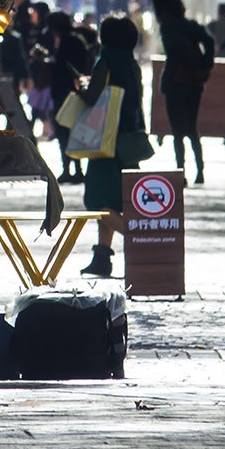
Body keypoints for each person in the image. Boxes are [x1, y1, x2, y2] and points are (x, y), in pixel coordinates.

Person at [79, 15, 146, 278]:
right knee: (116, 200)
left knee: (97, 202)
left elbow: (93, 96)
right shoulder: (131, 63)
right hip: (128, 142)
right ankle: (102, 259)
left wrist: (80, 90)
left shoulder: (104, 61)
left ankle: (144, 239)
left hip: (105, 142)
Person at [153, 0, 214, 185]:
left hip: (175, 83)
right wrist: (205, 65)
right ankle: (200, 172)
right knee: (192, 128)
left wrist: (193, 61)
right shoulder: (191, 25)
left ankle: (181, 174)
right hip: (194, 83)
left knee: (178, 132)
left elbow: (178, 48)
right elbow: (209, 41)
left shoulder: (167, 28)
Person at [47, 10, 90, 184]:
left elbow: (62, 68)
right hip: (76, 93)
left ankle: (68, 169)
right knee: (75, 132)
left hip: (66, 94)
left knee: (64, 132)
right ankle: (77, 170)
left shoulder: (67, 43)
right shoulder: (78, 40)